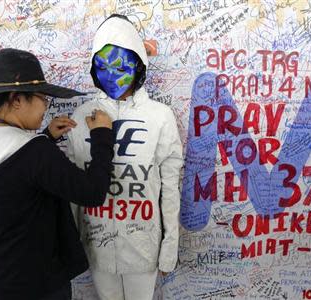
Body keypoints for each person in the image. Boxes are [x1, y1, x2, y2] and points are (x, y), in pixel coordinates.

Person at [0, 48, 114, 300]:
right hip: (29, 286)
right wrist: (102, 136)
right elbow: (93, 192)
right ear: (16, 100)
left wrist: (47, 137)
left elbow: (6, 180)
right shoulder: (35, 154)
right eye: (42, 98)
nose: (46, 106)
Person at [67, 14, 183, 300]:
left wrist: (169, 248)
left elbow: (169, 187)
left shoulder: (160, 116)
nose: (113, 73)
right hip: (96, 243)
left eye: (120, 63)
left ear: (138, 61)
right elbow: (71, 188)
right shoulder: (82, 116)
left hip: (143, 244)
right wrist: (68, 247)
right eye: (103, 65)